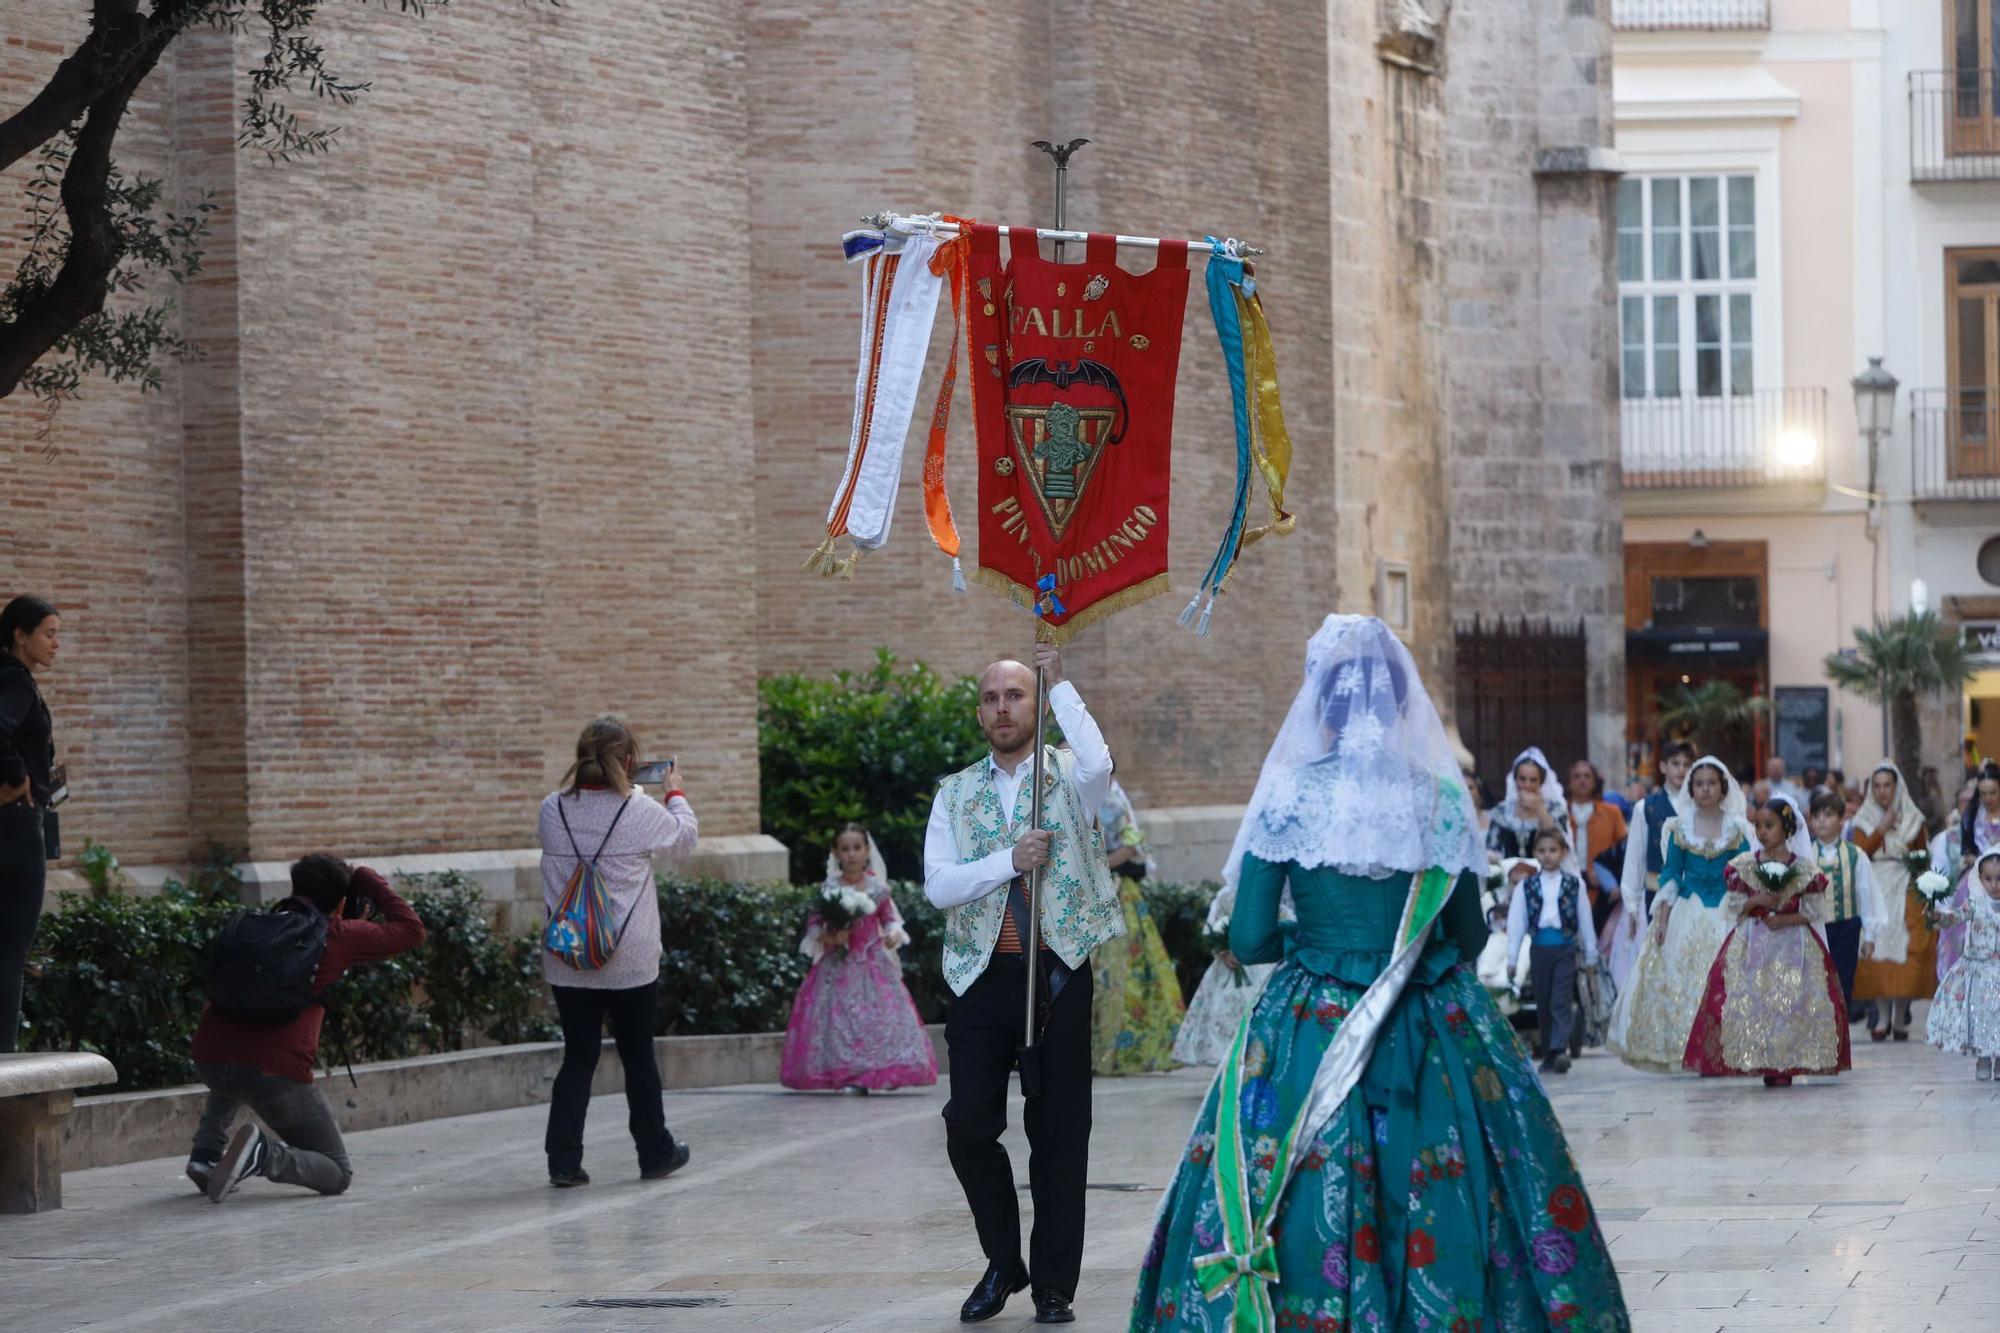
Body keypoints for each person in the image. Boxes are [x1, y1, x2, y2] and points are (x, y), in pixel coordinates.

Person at [1130, 616, 1628, 1332]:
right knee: (1469, 1174)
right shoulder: (1441, 797)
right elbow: (1463, 932)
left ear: (1319, 704)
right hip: (1430, 1018)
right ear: (1401, 705)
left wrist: (1321, 936)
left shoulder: (1287, 796)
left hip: (1310, 1018)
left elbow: (1249, 935)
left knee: (1288, 1178)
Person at [924, 642, 1123, 1325]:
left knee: (1061, 1132)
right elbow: (939, 884)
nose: (1002, 707)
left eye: (1015, 694)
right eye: (991, 697)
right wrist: (1007, 861)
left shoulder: (1073, 775)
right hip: (981, 978)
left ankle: (1053, 1284)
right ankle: (1004, 1259)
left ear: (1034, 704)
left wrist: (1062, 683)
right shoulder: (954, 791)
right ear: (979, 712)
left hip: (1059, 970)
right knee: (968, 1125)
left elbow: (1100, 761)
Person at [189, 854, 426, 1201]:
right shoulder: (336, 934)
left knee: (237, 1052)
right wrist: (367, 877)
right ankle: (263, 1154)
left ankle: (205, 1156)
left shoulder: (254, 926)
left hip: (208, 1056)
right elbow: (411, 930)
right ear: (343, 901)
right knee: (336, 1171)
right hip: (272, 1073)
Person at [538, 716, 697, 1187]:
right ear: (628, 762)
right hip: (628, 955)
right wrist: (675, 793)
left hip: (568, 954)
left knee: (578, 1056)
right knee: (637, 1053)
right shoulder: (637, 811)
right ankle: (654, 1152)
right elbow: (684, 841)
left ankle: (563, 1162)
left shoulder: (552, 809)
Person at [1683, 796, 1850, 1088]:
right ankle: (1758, 1058)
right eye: (1757, 825)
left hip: (1793, 947)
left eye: (1769, 825)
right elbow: (1734, 908)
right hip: (1753, 943)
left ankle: (1786, 1062)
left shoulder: (1804, 870)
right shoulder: (1744, 866)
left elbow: (1812, 911)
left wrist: (1784, 918)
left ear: (1787, 829)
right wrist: (1758, 901)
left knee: (1792, 1002)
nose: (1761, 832)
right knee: (1752, 999)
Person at [1607, 756, 1754, 1072]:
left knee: (1727, 979)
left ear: (1722, 787)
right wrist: (1661, 919)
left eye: (1711, 783)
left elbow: (1745, 874)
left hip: (1727, 911)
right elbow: (1671, 876)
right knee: (1687, 980)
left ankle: (1728, 1050)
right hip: (1689, 909)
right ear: (1691, 788)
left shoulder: (1738, 829)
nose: (1705, 789)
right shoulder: (1679, 828)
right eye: (1699, 784)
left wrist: (1747, 911)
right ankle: (1693, 1051)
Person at [780, 823, 937, 1093]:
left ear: (867, 851)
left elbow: (890, 920)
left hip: (872, 963)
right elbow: (814, 927)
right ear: (836, 853)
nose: (851, 854)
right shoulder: (829, 889)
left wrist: (892, 935)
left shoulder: (878, 889)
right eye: (845, 849)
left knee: (877, 1018)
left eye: (856, 848)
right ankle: (849, 1074)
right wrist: (833, 937)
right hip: (837, 965)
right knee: (841, 1020)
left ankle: (880, 1070)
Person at [1090, 772, 1186, 1075]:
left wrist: (1094, 866)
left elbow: (1130, 848)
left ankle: (1120, 1049)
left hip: (1114, 890)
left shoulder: (1113, 803)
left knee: (1118, 969)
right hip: (1082, 891)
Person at [0, 595, 60, 1053]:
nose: (55, 644)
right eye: (48, 633)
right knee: (13, 947)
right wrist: (19, 776)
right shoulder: (16, 681)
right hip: (17, 825)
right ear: (21, 636)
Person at [1850, 762, 1935, 1042]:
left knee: (1905, 949)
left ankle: (1899, 1016)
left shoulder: (1914, 818)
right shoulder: (1862, 819)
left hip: (1904, 887)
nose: (1883, 791)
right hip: (1875, 885)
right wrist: (1880, 829)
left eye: (1887, 785)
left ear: (1896, 787)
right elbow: (1859, 854)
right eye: (1877, 786)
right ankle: (1882, 1015)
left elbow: (1923, 856)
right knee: (1875, 950)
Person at [1505, 825, 1596, 1074]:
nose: (1547, 855)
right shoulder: (1527, 887)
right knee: (1543, 1000)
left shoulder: (1574, 884)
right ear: (1534, 852)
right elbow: (1516, 922)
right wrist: (1512, 958)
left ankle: (1559, 1049)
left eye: (1553, 850)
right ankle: (1548, 1052)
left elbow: (1585, 920)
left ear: (1564, 852)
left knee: (1560, 998)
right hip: (1539, 948)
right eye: (1542, 850)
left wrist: (1591, 954)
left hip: (1565, 947)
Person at [1607, 740, 1695, 991]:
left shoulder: (1700, 806)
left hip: (1693, 895)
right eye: (1675, 764)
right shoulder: (1646, 807)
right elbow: (1635, 859)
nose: (1681, 770)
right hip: (1654, 895)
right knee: (1658, 962)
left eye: (1686, 765)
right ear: (1663, 767)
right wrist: (1632, 906)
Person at [1170, 880, 1280, 1066]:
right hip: (1231, 966)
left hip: (1265, 964)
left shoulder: (1276, 892)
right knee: (1223, 1010)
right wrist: (1224, 949)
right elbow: (1212, 927)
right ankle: (1226, 1064)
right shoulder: (1227, 896)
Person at [1807, 789, 1885, 1018]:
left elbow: (1867, 894)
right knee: (1815, 984)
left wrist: (1870, 936)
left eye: (1829, 815)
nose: (1822, 820)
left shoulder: (1855, 855)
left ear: (1842, 820)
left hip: (1846, 928)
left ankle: (1840, 1035)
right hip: (1813, 929)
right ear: (1810, 821)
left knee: (1842, 984)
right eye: (1817, 815)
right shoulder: (1804, 855)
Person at [1925, 849, 2000, 1080]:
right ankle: (1983, 1057)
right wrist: (1938, 915)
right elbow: (1955, 916)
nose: (1994, 885)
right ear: (1980, 878)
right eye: (1989, 879)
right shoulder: (1974, 904)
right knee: (1981, 1014)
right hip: (1978, 970)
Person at [1939, 761, 2000, 983]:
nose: (1988, 798)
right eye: (1983, 793)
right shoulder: (1973, 815)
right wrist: (1977, 860)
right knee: (1962, 933)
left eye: (1993, 792)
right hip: (1976, 880)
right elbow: (1967, 848)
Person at [1565, 757, 1629, 935]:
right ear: (1570, 782)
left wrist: (1609, 877)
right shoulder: (1560, 811)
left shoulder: (1612, 813)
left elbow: (1624, 852)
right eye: (1577, 776)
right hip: (1567, 887)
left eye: (1587, 776)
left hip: (1603, 890)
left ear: (1594, 782)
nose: (1582, 780)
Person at [1484, 746, 1573, 862]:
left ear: (1541, 782)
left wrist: (1540, 809)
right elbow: (1492, 847)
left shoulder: (1555, 810)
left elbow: (1561, 845)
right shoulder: (1502, 811)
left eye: (1533, 780)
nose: (1527, 785)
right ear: (1515, 780)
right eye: (1522, 779)